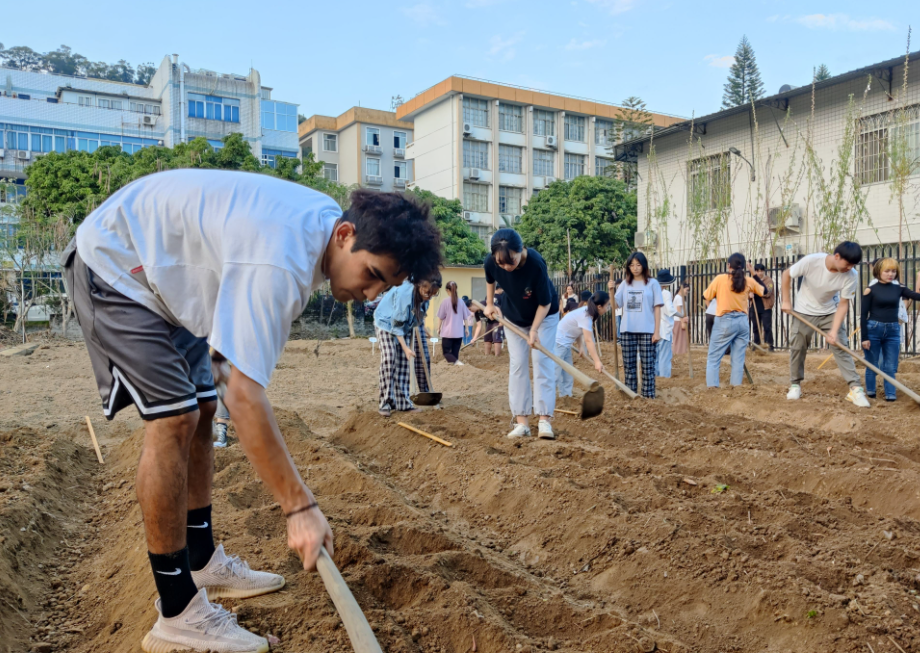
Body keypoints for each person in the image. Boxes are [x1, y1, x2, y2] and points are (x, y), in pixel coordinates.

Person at [62, 171, 442, 653]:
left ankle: (201, 562)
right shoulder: (282, 258)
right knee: (174, 419)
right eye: (372, 275)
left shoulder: (314, 233)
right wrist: (299, 507)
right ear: (345, 236)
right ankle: (177, 611)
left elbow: (224, 378)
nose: (371, 295)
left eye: (385, 286)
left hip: (167, 285)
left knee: (201, 407)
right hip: (117, 266)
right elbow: (240, 394)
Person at [482, 229, 560, 440]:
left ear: (521, 250)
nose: (506, 267)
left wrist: (534, 330)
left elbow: (545, 303)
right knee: (517, 365)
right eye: (501, 264)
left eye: (511, 261)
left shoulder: (535, 263)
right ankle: (522, 422)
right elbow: (490, 278)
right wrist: (490, 304)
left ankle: (544, 420)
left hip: (544, 316)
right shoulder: (492, 262)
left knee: (541, 360)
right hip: (514, 316)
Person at [781, 241, 870, 408]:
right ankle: (795, 385)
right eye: (847, 263)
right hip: (803, 311)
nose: (849, 267)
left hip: (830, 312)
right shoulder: (812, 262)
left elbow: (843, 304)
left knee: (841, 346)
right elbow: (786, 274)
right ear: (837, 256)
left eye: (853, 265)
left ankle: (855, 388)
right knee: (798, 347)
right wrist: (786, 300)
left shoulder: (851, 275)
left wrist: (834, 331)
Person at [375, 275, 442, 416]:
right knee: (389, 357)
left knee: (404, 365)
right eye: (427, 292)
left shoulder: (425, 299)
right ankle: (386, 403)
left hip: (405, 326)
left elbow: (417, 319)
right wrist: (405, 348)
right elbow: (396, 325)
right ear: (420, 286)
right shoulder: (404, 293)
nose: (430, 296)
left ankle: (403, 403)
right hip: (386, 323)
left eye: (434, 293)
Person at [861, 258, 920, 401]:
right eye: (887, 271)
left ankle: (890, 394)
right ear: (878, 272)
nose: (890, 274)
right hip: (873, 329)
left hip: (893, 330)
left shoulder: (899, 288)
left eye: (893, 271)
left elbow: (916, 296)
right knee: (872, 364)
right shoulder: (870, 290)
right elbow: (863, 315)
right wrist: (864, 338)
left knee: (891, 365)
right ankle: (870, 391)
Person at [703, 253, 764, 387]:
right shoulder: (748, 280)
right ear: (744, 267)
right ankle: (736, 389)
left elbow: (706, 295)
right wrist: (753, 274)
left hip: (725, 320)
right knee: (738, 359)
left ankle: (712, 389)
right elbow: (764, 291)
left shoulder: (720, 279)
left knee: (713, 358)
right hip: (742, 322)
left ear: (728, 265)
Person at [614, 252, 663, 398]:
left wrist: (657, 331)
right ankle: (631, 395)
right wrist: (611, 290)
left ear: (644, 266)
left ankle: (648, 396)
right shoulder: (624, 284)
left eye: (638, 264)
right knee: (629, 366)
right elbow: (616, 303)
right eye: (632, 265)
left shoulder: (652, 284)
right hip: (627, 329)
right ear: (628, 267)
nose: (635, 268)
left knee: (648, 365)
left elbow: (657, 308)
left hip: (647, 330)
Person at [555, 291, 610, 397]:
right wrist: (597, 361)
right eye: (607, 306)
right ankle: (548, 401)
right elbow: (588, 340)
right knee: (555, 373)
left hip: (566, 343)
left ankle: (566, 397)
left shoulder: (587, 312)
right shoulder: (586, 317)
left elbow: (578, 330)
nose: (607, 308)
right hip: (558, 343)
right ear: (599, 306)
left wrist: (580, 347)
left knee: (567, 373)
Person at [437, 281, 473, 365]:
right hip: (459, 333)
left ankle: (458, 364)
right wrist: (467, 329)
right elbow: (465, 317)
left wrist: (438, 328)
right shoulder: (461, 302)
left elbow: (440, 317)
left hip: (447, 333)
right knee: (455, 353)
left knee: (446, 352)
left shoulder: (445, 302)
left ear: (447, 290)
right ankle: (456, 366)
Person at [656, 269, 678, 378]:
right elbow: (670, 310)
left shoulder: (652, 291)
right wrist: (681, 315)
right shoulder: (665, 293)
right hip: (664, 329)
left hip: (653, 329)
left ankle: (656, 378)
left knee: (655, 357)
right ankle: (664, 378)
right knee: (664, 356)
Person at [749, 263, 775, 350]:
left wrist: (756, 292)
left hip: (765, 308)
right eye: (757, 271)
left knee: (767, 327)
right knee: (756, 327)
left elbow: (768, 293)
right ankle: (756, 345)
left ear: (764, 271)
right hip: (754, 307)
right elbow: (746, 292)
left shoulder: (769, 281)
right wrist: (749, 294)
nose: (760, 273)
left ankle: (770, 346)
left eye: (761, 271)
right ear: (755, 271)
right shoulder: (752, 281)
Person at [672, 282, 691, 359]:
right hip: (679, 321)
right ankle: (679, 354)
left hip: (678, 320)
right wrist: (682, 322)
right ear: (682, 289)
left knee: (679, 339)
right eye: (687, 290)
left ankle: (678, 354)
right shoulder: (679, 298)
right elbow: (679, 310)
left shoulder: (678, 297)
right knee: (679, 339)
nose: (687, 292)